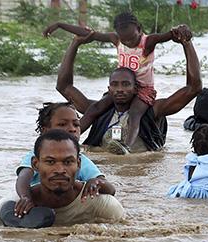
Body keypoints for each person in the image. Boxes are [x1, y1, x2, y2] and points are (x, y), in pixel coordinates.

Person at [44, 12, 192, 149]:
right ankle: (70, 140)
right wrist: (66, 32)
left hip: (144, 90)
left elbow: (172, 37)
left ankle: (126, 147)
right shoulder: (99, 109)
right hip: (106, 163)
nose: (128, 43)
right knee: (93, 110)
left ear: (139, 30)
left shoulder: (155, 111)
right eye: (115, 85)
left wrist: (183, 37)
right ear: (109, 88)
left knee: (134, 116)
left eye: (125, 85)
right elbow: (90, 35)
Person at [0, 130, 124, 228]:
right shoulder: (11, 207)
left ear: (78, 164)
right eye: (50, 162)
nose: (60, 170)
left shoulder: (102, 206)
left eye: (68, 162)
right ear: (35, 164)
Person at [15, 102, 115, 219]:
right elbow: (23, 177)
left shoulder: (81, 159)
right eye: (62, 124)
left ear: (78, 163)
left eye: (76, 124)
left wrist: (96, 182)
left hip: (68, 205)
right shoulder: (36, 156)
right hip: (38, 206)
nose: (72, 129)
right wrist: (25, 197)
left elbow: (110, 189)